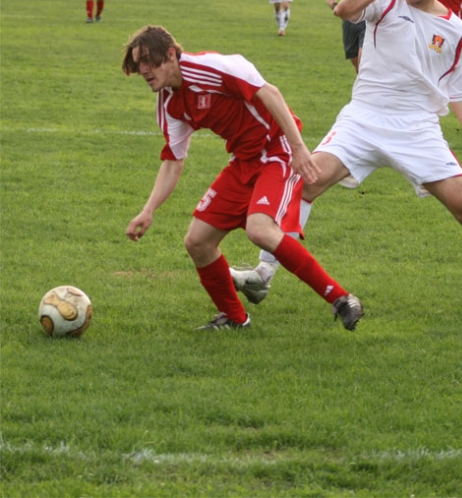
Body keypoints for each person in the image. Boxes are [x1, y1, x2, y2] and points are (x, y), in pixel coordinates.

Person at [231, 0, 462, 320]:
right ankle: (263, 273)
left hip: (417, 128)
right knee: (304, 183)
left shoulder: (457, 33)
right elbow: (342, 9)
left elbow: (461, 94)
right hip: (363, 118)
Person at [122, 25, 363, 332]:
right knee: (197, 242)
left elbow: (269, 92)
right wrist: (149, 209)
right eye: (137, 64)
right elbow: (173, 160)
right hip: (243, 162)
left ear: (170, 54)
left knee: (260, 230)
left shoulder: (213, 68)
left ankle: (341, 299)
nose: (143, 70)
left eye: (148, 62)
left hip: (277, 151)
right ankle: (235, 318)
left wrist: (300, 149)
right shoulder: (170, 102)